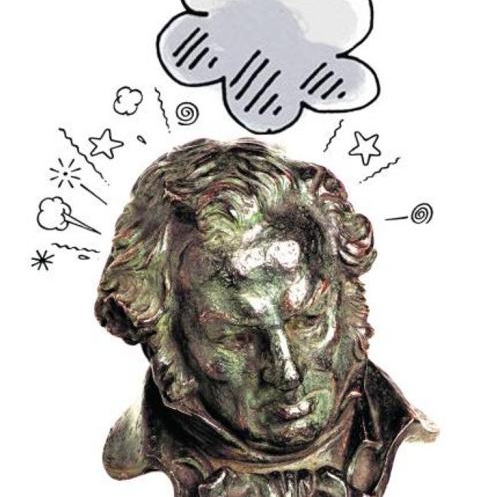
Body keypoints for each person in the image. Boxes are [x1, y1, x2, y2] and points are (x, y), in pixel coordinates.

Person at [95, 139, 436, 497]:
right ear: (164, 341)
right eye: (236, 338)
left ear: (348, 304)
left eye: (308, 320)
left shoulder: (430, 464)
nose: (287, 373)